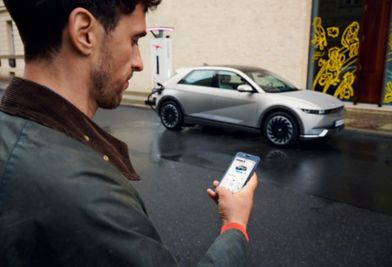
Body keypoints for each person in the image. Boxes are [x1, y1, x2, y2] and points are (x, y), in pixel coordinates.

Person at [0, 0, 258, 266]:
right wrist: (234, 225)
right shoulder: (91, 199)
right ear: (84, 32)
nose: (139, 63)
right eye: (134, 40)